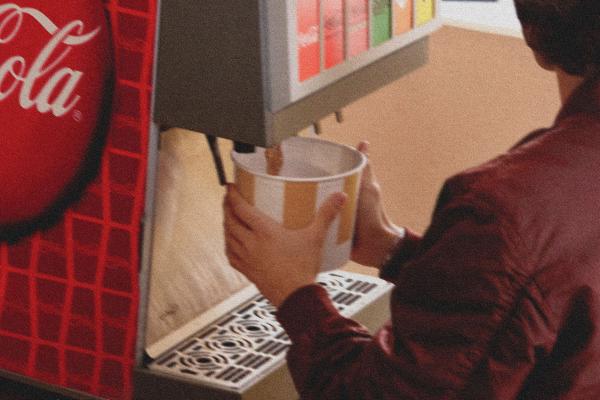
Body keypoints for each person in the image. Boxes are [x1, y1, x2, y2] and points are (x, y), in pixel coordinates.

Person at [223, 0, 600, 398]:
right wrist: (392, 248)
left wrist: (294, 292)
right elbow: (529, 304)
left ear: (534, 31)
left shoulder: (506, 212)